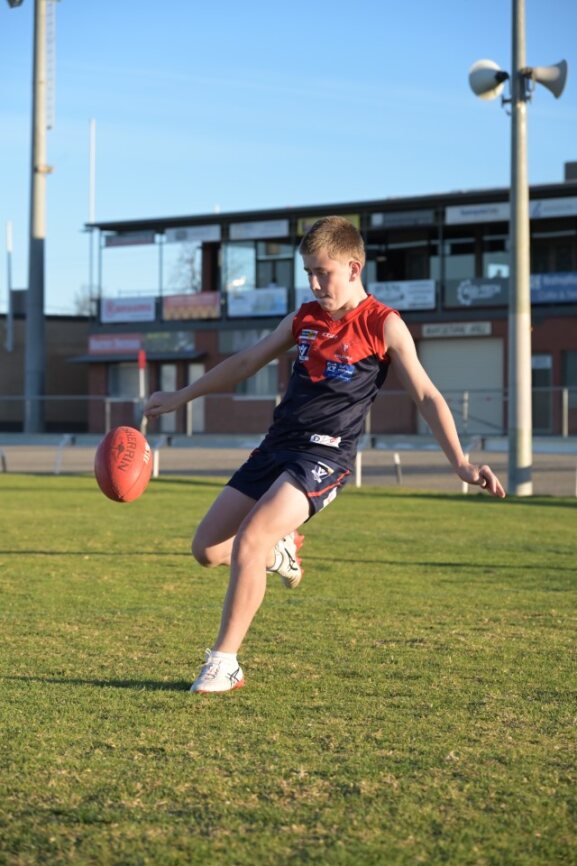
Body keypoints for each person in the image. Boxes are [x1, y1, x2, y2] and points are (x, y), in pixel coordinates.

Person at [144, 216, 506, 694]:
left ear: (354, 269)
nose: (315, 284)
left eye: (323, 273)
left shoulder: (384, 324)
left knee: (251, 538)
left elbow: (426, 395)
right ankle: (280, 551)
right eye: (309, 273)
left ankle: (224, 662)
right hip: (276, 446)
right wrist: (180, 396)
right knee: (207, 550)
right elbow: (246, 361)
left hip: (325, 457)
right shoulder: (304, 318)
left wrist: (460, 463)